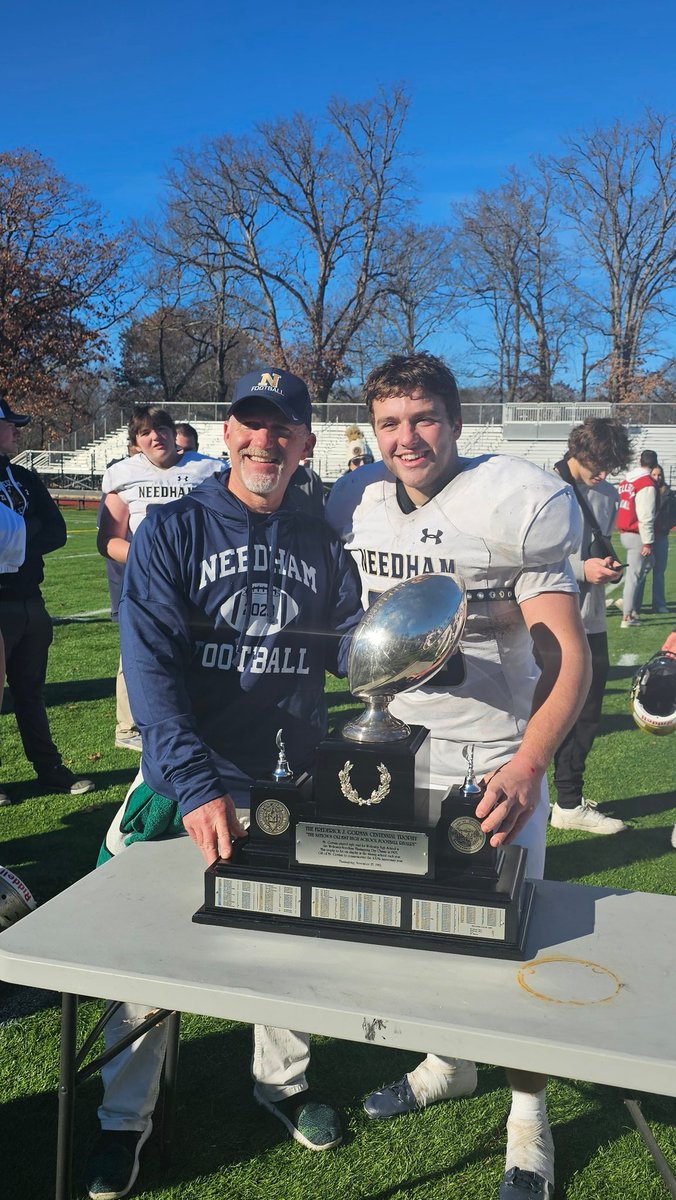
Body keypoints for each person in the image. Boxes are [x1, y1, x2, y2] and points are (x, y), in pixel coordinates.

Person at [84, 368, 363, 1200]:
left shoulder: (319, 538)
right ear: (228, 432)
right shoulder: (172, 528)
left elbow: (343, 640)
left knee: (284, 948)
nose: (264, 441)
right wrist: (197, 783)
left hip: (284, 780)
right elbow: (153, 669)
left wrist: (404, 652)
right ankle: (121, 1120)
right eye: (251, 423)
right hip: (181, 778)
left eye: (282, 428)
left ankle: (283, 1084)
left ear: (306, 443)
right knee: (135, 959)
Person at [325, 352, 591, 1200]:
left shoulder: (518, 498)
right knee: (421, 934)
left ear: (457, 420)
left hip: (493, 757)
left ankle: (527, 1123)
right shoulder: (361, 501)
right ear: (373, 430)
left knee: (514, 947)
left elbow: (569, 655)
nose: (409, 438)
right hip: (398, 751)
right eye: (392, 422)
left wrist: (529, 763)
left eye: (425, 418)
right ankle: (449, 1060)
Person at [98, 408, 221, 751]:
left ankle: (197, 715)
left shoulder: (208, 469)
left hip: (201, 582)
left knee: (201, 651)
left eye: (162, 429)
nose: (156, 437)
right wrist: (151, 558)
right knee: (139, 654)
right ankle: (130, 726)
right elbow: (107, 540)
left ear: (173, 432)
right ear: (136, 442)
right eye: (146, 433)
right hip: (149, 584)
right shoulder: (123, 475)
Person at [0, 398, 95, 803]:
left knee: (31, 691)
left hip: (29, 598)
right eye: (12, 424)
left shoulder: (23, 476)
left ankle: (49, 768)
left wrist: (17, 533)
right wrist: (29, 528)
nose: (19, 430)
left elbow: (55, 530)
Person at [549, 419, 631, 834]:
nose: (602, 473)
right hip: (546, 620)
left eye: (610, 466)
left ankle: (568, 801)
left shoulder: (608, 493)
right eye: (597, 463)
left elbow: (599, 545)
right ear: (576, 450)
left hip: (591, 618)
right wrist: (582, 569)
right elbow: (522, 561)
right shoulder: (545, 486)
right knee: (540, 713)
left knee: (588, 713)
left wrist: (608, 567)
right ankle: (562, 798)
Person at [616, 449, 658, 628]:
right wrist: (647, 541)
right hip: (637, 533)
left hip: (626, 531)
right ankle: (627, 615)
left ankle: (628, 604)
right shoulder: (646, 482)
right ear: (654, 464)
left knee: (647, 566)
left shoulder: (628, 479)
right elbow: (646, 515)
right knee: (634, 575)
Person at [635, 465, 674, 614]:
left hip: (661, 536)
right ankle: (635, 605)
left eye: (659, 475)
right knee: (642, 571)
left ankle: (659, 604)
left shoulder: (668, 493)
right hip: (645, 536)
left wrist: (666, 525)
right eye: (654, 474)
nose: (657, 478)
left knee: (659, 571)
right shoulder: (645, 490)